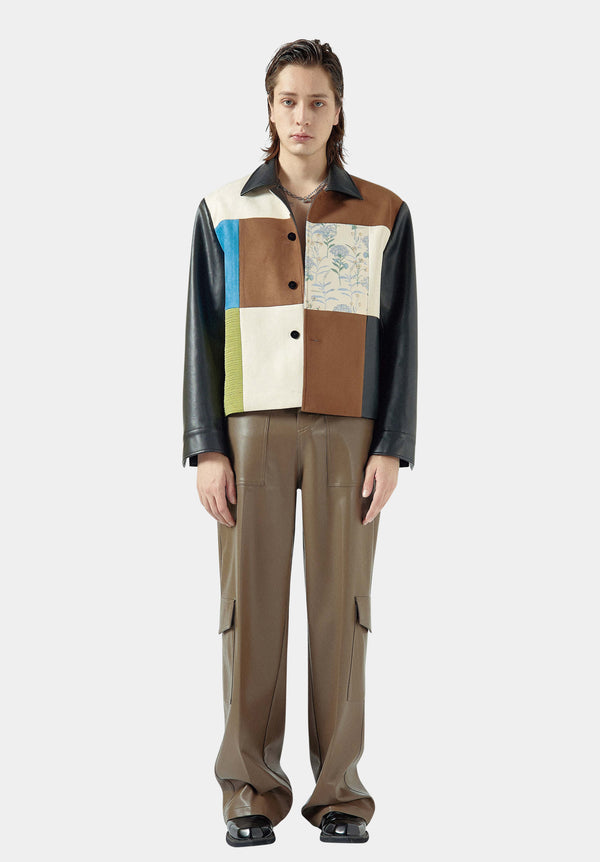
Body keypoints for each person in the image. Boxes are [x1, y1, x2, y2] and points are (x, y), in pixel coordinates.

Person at [182, 38, 418, 846]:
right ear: (270, 108)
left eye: (317, 101)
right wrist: (208, 446)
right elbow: (199, 336)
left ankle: (340, 791)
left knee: (342, 609)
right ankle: (250, 790)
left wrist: (391, 443)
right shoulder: (221, 209)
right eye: (289, 100)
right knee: (248, 608)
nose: (302, 116)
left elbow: (403, 337)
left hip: (350, 430)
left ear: (338, 109)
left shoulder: (384, 213)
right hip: (249, 426)